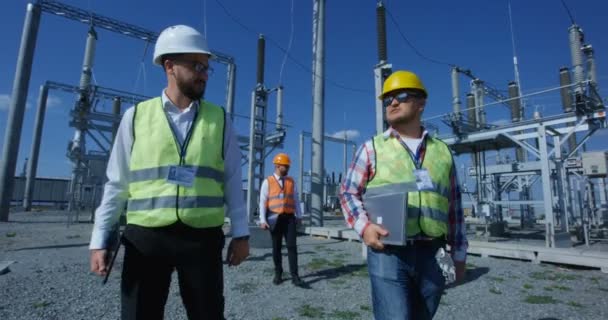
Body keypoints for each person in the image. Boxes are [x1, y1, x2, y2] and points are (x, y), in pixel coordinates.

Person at [88, 25, 250, 320]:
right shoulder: (136, 117)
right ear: (169, 66)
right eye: (196, 65)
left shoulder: (220, 120)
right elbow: (117, 183)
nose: (203, 73)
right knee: (140, 314)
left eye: (206, 68)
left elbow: (233, 181)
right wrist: (100, 238)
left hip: (201, 239)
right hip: (145, 238)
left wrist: (241, 233)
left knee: (208, 315)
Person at [339, 70, 468, 320]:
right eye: (388, 100)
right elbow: (347, 192)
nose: (393, 103)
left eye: (401, 96)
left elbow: (455, 206)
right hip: (389, 252)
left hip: (434, 252)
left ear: (421, 103)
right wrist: (364, 228)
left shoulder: (442, 152)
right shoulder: (372, 148)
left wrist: (460, 253)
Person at [258, 153, 304, 286]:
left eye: (288, 166)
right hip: (274, 218)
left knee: (292, 247)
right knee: (276, 247)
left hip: (289, 218)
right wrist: (262, 219)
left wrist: (299, 216)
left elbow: (296, 200)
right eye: (286, 166)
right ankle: (278, 274)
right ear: (278, 166)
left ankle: (295, 275)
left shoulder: (291, 181)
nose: (288, 168)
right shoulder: (268, 182)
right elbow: (262, 202)